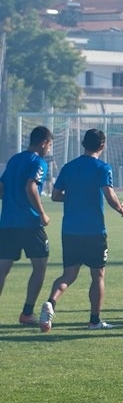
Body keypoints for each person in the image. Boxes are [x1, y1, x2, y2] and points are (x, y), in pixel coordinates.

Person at [39, 129, 123, 332]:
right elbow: (110, 195)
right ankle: (94, 320)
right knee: (97, 275)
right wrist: (122, 209)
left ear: (83, 143)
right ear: (102, 146)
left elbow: (55, 195)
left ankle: (51, 303)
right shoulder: (102, 168)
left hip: (70, 230)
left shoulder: (69, 167)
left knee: (68, 275)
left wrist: (74, 197)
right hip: (94, 231)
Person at [0, 126, 53, 326]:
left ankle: (27, 313)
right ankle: (27, 312)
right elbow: (31, 187)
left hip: (7, 223)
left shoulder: (14, 160)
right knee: (40, 267)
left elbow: (1, 188)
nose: (49, 149)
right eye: (49, 145)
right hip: (30, 223)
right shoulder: (38, 162)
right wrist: (42, 214)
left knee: (2, 269)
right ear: (43, 143)